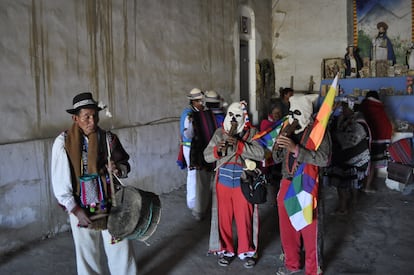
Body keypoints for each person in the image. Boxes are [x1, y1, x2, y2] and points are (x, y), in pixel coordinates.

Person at [51, 92, 137, 275]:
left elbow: (125, 165)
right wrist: (75, 210)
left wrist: (117, 168)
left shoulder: (107, 139)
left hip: (111, 204)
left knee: (120, 249)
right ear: (75, 118)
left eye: (95, 116)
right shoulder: (64, 143)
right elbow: (60, 182)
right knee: (87, 255)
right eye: (86, 117)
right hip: (80, 206)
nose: (92, 121)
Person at [273, 94, 332, 275]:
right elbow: (276, 158)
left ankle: (313, 270)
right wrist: (279, 144)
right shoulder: (286, 127)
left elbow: (324, 159)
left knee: (310, 229)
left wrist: (296, 149)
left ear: (306, 113)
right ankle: (291, 264)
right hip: (286, 182)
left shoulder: (319, 131)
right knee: (287, 230)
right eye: (290, 112)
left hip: (306, 184)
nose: (292, 117)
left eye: (296, 112)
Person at [203, 101, 264, 269]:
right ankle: (226, 250)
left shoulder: (252, 133)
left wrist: (240, 145)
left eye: (238, 116)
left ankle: (246, 251)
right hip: (223, 183)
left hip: (243, 183)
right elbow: (207, 156)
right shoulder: (219, 133)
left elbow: (261, 153)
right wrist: (217, 150)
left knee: (245, 219)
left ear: (244, 117)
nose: (234, 119)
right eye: (231, 115)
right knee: (224, 219)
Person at [326, 98, 371, 215]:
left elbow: (352, 139)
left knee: (343, 182)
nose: (342, 110)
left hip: (353, 157)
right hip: (353, 155)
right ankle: (353, 200)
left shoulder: (358, 121)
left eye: (344, 108)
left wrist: (336, 136)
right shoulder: (348, 119)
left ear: (351, 108)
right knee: (352, 180)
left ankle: (343, 207)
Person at [180, 88, 213, 221]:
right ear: (193, 101)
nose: (202, 103)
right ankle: (192, 203)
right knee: (193, 174)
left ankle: (195, 201)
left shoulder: (196, 112)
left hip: (195, 147)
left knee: (194, 175)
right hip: (190, 147)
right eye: (199, 101)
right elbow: (188, 134)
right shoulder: (189, 114)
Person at [359, 90, 393, 192]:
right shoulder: (379, 108)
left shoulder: (362, 106)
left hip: (362, 140)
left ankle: (360, 185)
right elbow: (386, 124)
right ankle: (368, 186)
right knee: (372, 164)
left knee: (362, 164)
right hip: (376, 141)